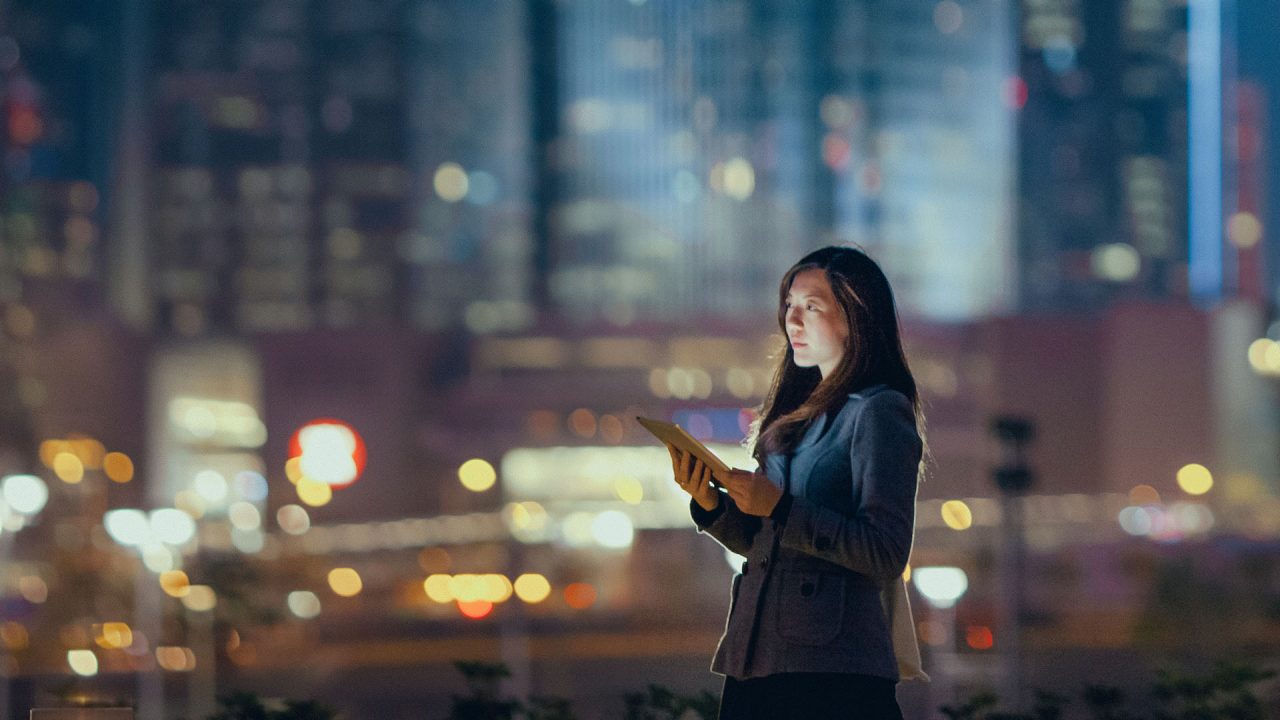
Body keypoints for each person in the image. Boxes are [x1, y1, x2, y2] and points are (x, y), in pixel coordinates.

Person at [667, 245, 928, 720]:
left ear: (855, 316)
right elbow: (770, 546)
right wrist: (712, 505)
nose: (793, 321)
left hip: (834, 671)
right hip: (758, 659)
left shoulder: (878, 412)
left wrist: (782, 507)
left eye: (812, 307)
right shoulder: (792, 418)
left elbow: (887, 553)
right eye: (789, 305)